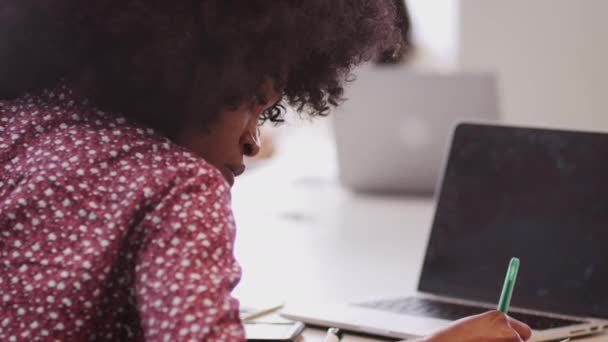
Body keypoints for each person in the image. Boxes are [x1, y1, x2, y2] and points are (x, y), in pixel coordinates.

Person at [0, 1, 531, 341]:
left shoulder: (16, 124)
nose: (254, 142)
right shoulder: (179, 184)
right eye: (255, 104)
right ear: (196, 78)